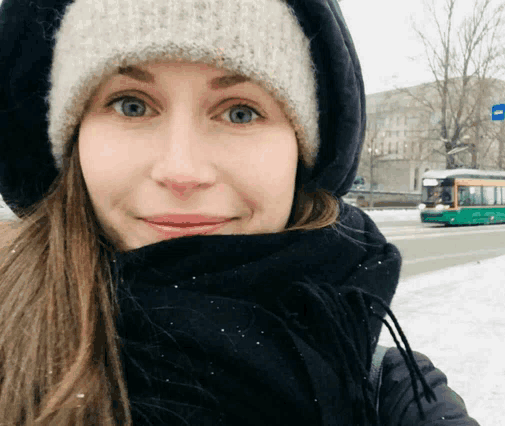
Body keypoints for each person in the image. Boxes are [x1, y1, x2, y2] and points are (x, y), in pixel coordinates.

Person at [0, 0, 480, 424]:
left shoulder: (388, 392)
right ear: (70, 141)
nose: (182, 171)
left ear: (302, 153)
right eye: (131, 106)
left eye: (240, 112)